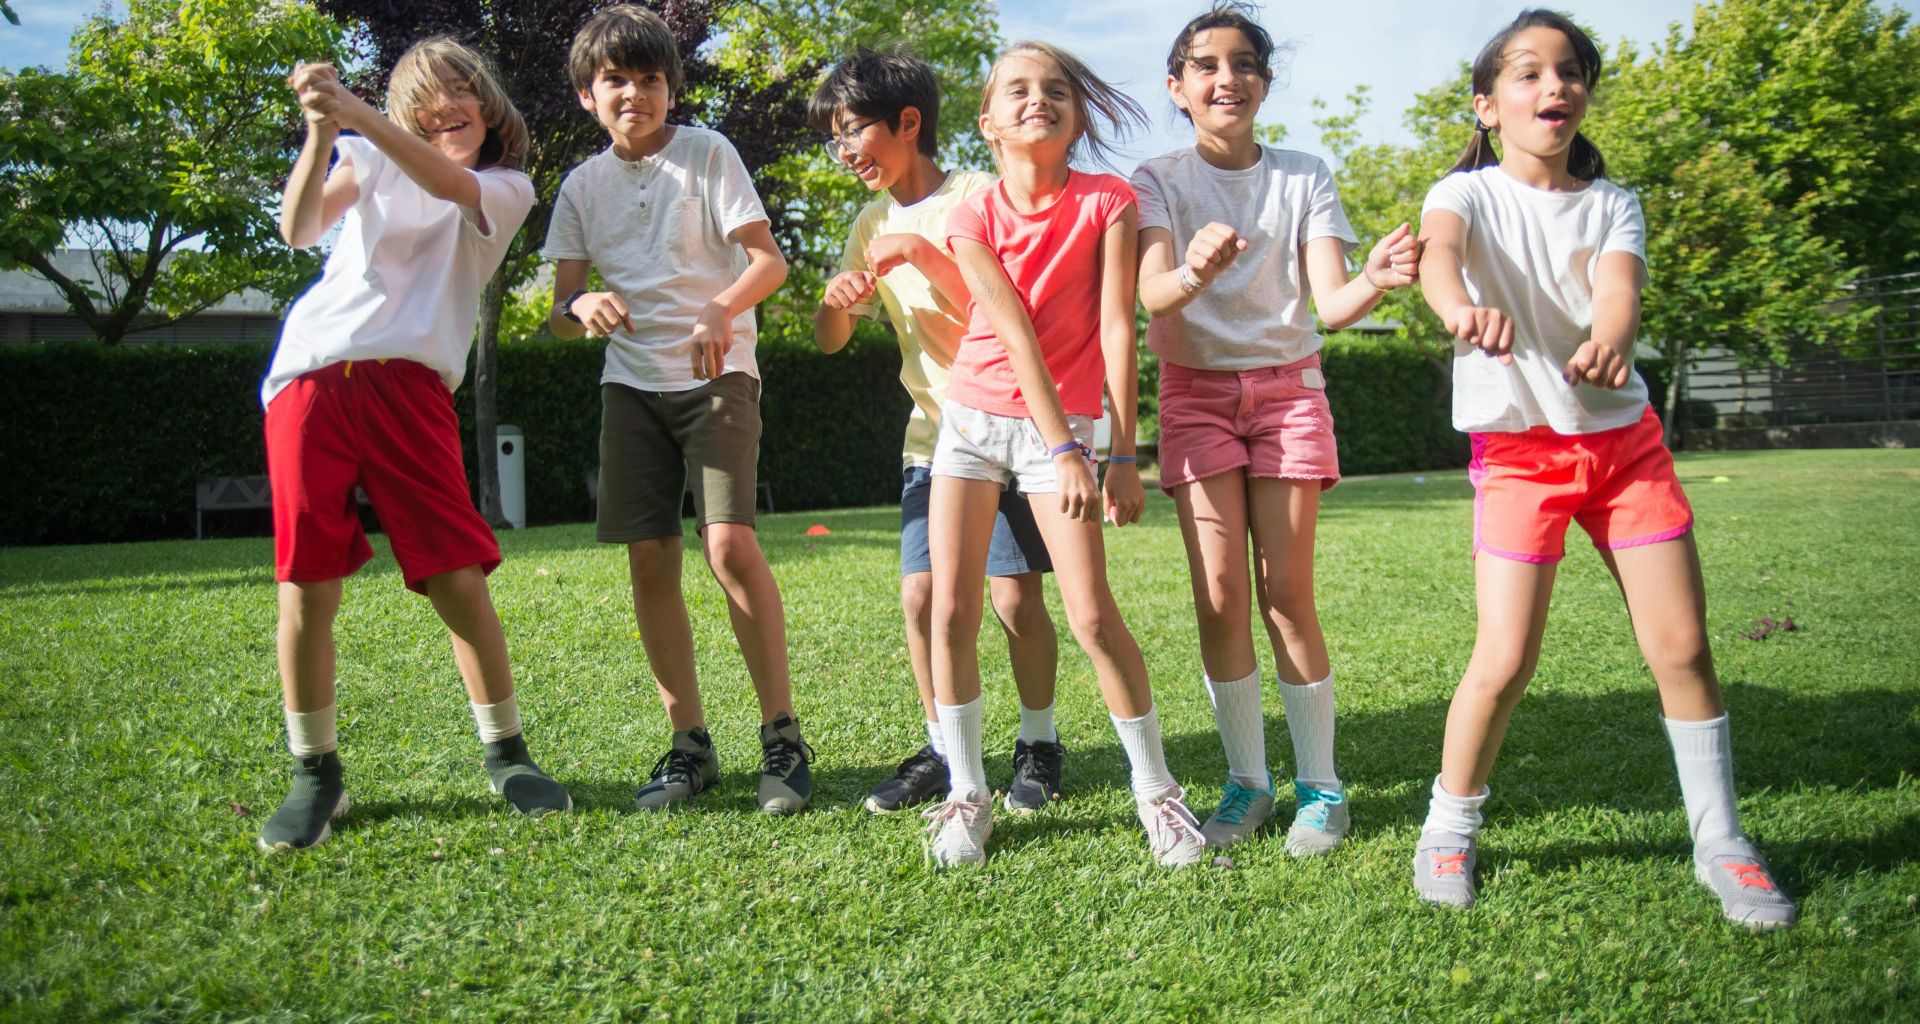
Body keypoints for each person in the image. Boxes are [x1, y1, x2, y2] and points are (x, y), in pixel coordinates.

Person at [1412, 9, 1796, 929]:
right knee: (1504, 660)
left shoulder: (1613, 202)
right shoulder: (1462, 194)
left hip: (1626, 453)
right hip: (1519, 458)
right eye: (1530, 73)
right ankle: (1447, 827)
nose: (1555, 87)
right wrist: (1462, 312)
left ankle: (1722, 841)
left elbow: (1617, 290)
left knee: (1685, 650)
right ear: (1489, 104)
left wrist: (1609, 341)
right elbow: (1439, 262)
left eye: (1571, 72)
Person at [259, 37, 568, 851]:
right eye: (427, 98)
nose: (447, 107)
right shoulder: (364, 155)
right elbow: (298, 230)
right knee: (307, 582)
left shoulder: (505, 186)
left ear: (489, 102)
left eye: (461, 88)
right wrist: (324, 133)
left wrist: (357, 114)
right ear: (405, 112)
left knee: (455, 575)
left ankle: (507, 753)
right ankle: (315, 774)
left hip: (412, 386)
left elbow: (448, 182)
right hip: (311, 379)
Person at [1133, 2, 1419, 852]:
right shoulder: (1158, 180)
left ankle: (1322, 788)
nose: (1229, 78)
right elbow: (1150, 296)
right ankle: (1247, 783)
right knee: (1220, 597)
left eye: (1247, 63)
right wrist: (1191, 269)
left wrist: (1373, 278)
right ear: (1178, 86)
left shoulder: (1304, 174)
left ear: (1265, 81)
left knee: (1285, 594)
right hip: (1195, 397)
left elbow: (1330, 302)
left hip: (1291, 396)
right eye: (1208, 65)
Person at [922, 41, 1206, 868]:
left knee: (1091, 615)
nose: (1036, 99)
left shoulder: (1109, 201)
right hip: (976, 420)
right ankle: (967, 793)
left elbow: (1120, 324)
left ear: (1076, 116)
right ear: (987, 122)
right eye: (1016, 89)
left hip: (1072, 432)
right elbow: (1010, 332)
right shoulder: (970, 213)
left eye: (1054, 90)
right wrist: (1064, 445)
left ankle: (1158, 794)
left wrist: (1117, 449)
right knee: (951, 610)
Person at [543, 5, 812, 815]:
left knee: (728, 545)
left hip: (719, 375)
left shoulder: (708, 154)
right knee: (651, 558)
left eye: (650, 78)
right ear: (588, 97)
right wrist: (582, 303)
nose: (635, 93)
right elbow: (559, 311)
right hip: (629, 387)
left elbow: (769, 262)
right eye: (615, 81)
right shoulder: (581, 186)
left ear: (671, 87)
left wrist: (719, 308)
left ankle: (783, 737)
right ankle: (688, 744)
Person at [808, 48, 1067, 817]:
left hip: (1008, 429)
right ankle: (944, 747)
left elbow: (1007, 317)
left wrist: (923, 253)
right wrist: (834, 297)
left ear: (908, 123)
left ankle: (1040, 743)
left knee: (1015, 601)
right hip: (932, 438)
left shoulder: (981, 196)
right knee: (921, 599)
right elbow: (830, 340)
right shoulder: (868, 220)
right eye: (835, 139)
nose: (845, 151)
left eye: (852, 131)